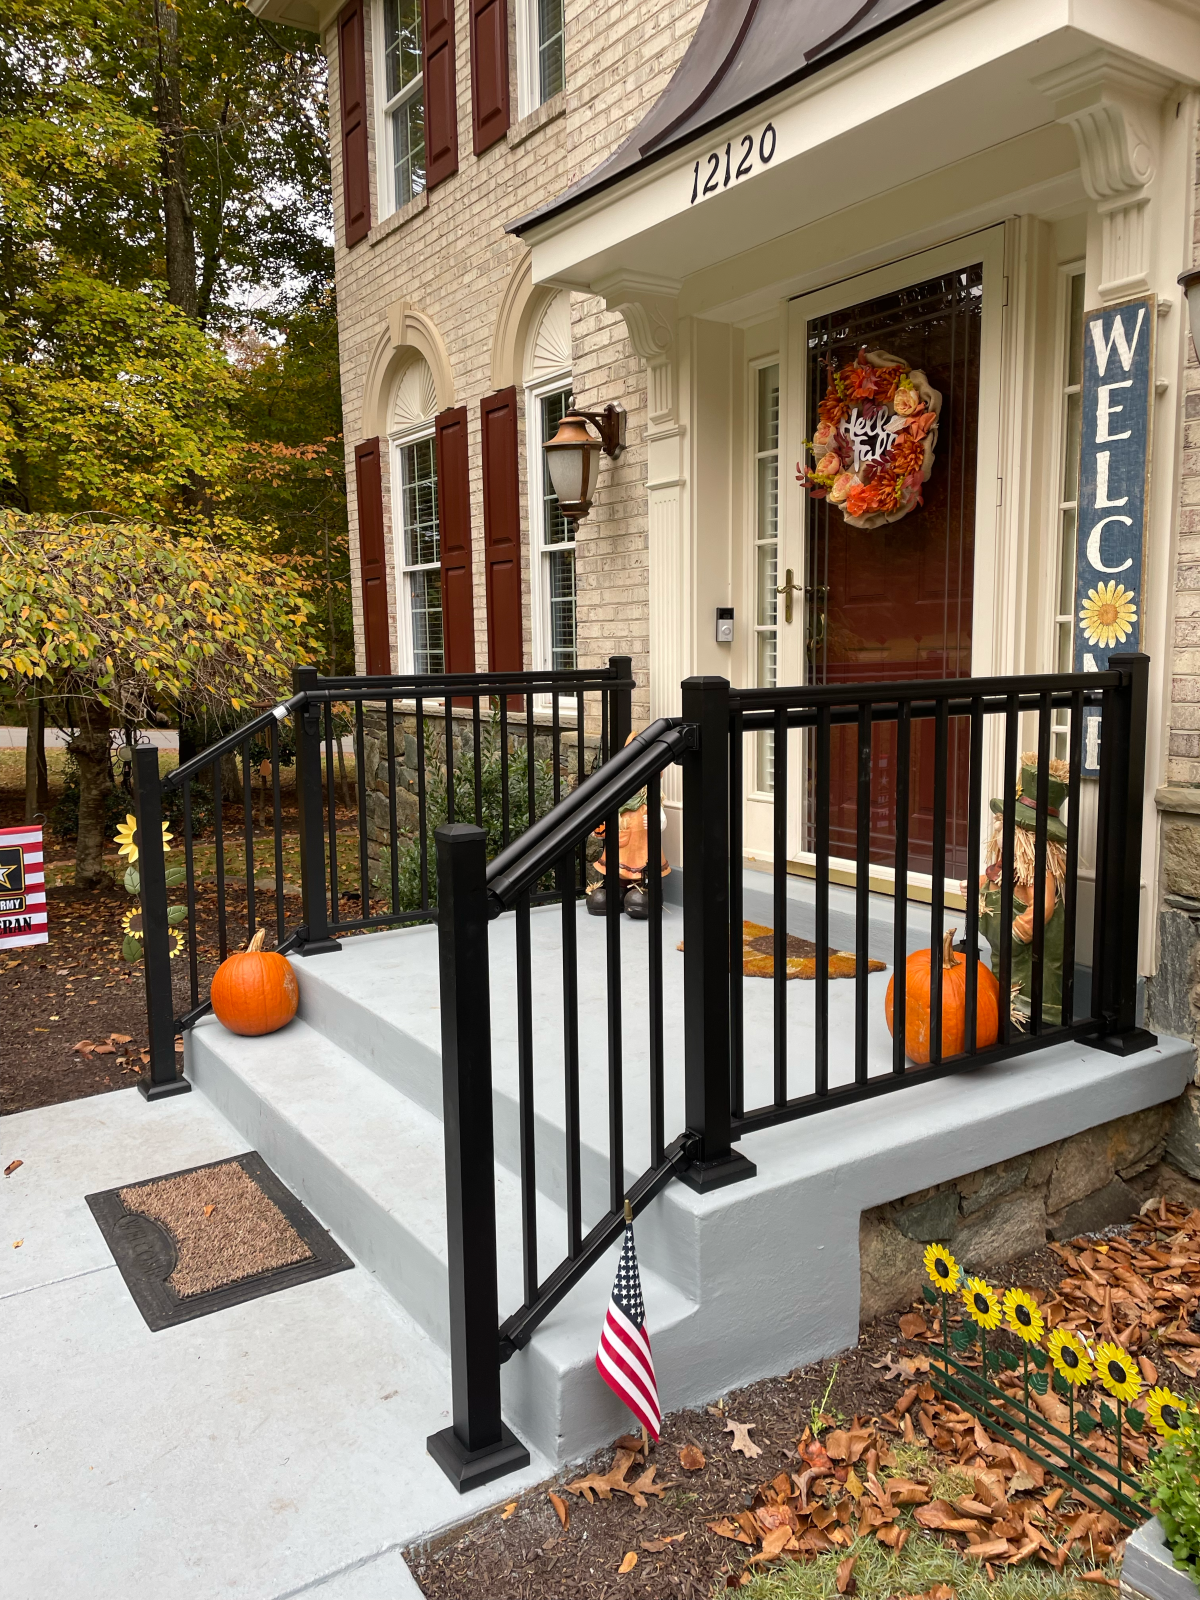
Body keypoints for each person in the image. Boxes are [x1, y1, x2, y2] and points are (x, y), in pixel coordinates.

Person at [976, 754, 1069, 1027]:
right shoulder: (1014, 864)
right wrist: (980, 885)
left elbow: (1043, 907)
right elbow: (1001, 881)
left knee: (1031, 983)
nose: (999, 828)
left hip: (1025, 953)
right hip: (1007, 955)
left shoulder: (1040, 871)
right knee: (1004, 980)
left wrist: (1016, 934)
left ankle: (1033, 1018)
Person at [586, 736, 670, 921]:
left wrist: (657, 822)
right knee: (614, 876)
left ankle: (644, 895)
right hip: (621, 845)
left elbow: (661, 817)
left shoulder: (650, 796)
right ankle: (616, 894)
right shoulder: (620, 797)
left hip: (642, 848)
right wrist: (600, 828)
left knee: (643, 876)